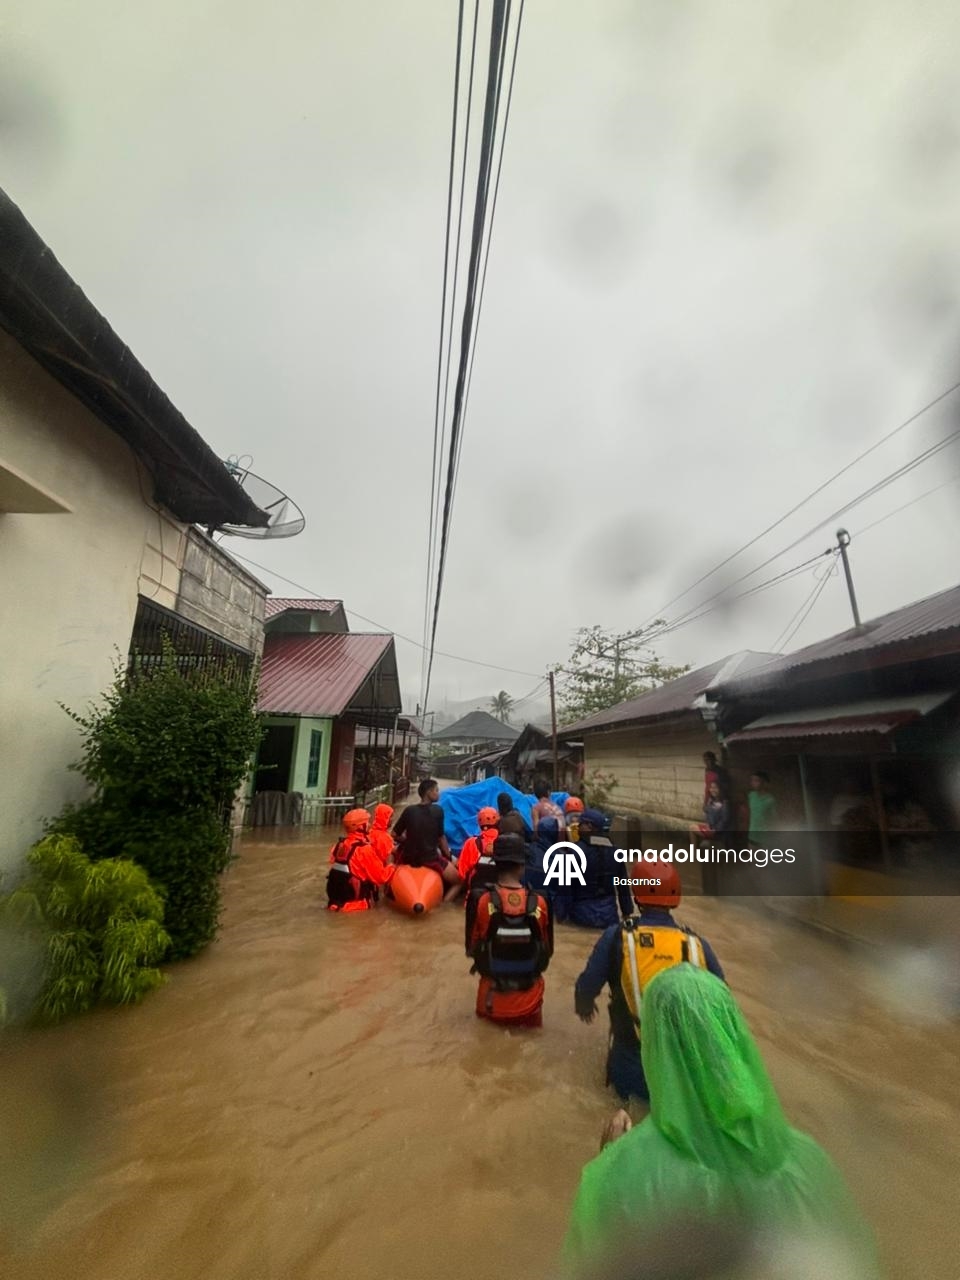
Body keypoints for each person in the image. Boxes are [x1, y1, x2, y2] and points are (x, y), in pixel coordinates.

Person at [561, 966, 880, 1280]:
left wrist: (611, 1154)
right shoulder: (810, 1159)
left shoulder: (616, 1173)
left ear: (654, 1043)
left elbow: (589, 1266)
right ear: (733, 1033)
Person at [574, 861, 723, 1102]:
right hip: (686, 1071)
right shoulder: (697, 945)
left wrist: (584, 1006)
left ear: (637, 894)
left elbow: (587, 986)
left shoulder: (617, 937)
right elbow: (722, 1003)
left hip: (632, 1068)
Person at [467, 834, 553, 1028]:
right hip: (530, 1002)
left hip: (490, 1002)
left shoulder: (483, 902)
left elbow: (473, 948)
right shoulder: (540, 903)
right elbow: (547, 950)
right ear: (522, 866)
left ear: (496, 864)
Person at [553, 808, 632, 929]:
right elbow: (623, 887)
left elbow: (565, 889)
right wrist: (627, 913)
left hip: (581, 916)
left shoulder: (574, 852)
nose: (578, 828)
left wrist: (561, 917)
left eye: (581, 824)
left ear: (589, 826)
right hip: (609, 917)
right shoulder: (616, 853)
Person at [392, 778, 462, 902]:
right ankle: (444, 906)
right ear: (429, 792)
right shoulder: (438, 810)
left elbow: (394, 834)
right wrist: (449, 856)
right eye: (436, 790)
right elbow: (441, 838)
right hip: (430, 858)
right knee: (459, 882)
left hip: (408, 858)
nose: (438, 793)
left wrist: (407, 840)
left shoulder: (409, 810)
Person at [326, 808, 395, 912]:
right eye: (367, 823)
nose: (369, 825)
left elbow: (335, 863)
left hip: (334, 904)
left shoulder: (339, 845)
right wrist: (393, 867)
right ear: (360, 827)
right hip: (357, 907)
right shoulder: (364, 850)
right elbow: (381, 877)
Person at [747, 770, 777, 843]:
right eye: (752, 780)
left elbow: (774, 819)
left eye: (756, 780)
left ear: (763, 782)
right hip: (752, 834)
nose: (753, 783)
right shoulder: (751, 795)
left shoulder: (770, 799)